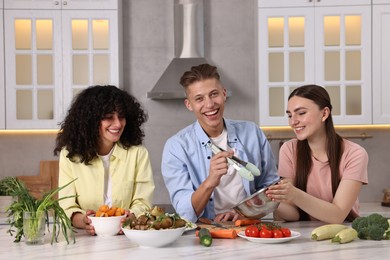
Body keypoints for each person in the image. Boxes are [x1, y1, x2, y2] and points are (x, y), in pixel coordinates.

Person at [161, 63, 279, 223]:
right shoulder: (176, 147)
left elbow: (271, 188)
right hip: (204, 232)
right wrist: (211, 181)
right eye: (199, 99)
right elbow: (184, 214)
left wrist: (245, 213)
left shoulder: (252, 133)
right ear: (189, 105)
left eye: (214, 94)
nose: (209, 104)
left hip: (248, 227)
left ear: (224, 94)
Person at [54, 85, 155, 235]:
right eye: (109, 117)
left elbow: (143, 202)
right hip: (84, 243)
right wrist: (84, 221)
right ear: (91, 121)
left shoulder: (138, 153)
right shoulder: (70, 155)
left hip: (128, 239)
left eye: (121, 116)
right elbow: (67, 207)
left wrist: (131, 217)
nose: (118, 124)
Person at [266, 84, 368, 223]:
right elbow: (292, 214)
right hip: (304, 236)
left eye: (301, 113)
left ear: (324, 113)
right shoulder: (289, 149)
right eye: (290, 115)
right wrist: (267, 198)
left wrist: (294, 194)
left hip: (342, 234)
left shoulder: (354, 154)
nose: (293, 122)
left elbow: (337, 216)